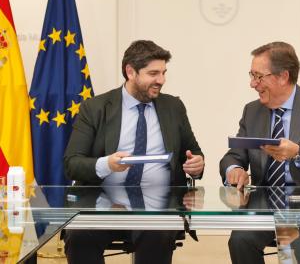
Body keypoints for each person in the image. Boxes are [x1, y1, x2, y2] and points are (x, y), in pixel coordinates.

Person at [63, 40, 205, 264]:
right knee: (79, 235)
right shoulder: (95, 108)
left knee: (157, 233)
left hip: (158, 205)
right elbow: (72, 163)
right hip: (104, 203)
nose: (161, 80)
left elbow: (193, 152)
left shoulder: (173, 107)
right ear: (130, 71)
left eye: (163, 73)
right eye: (153, 73)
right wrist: (106, 164)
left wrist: (197, 164)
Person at [219, 41, 300, 264]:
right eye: (251, 75)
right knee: (240, 239)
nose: (252, 84)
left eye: (258, 76)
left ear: (283, 76)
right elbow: (234, 155)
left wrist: (298, 152)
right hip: (265, 203)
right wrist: (233, 170)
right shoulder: (252, 110)